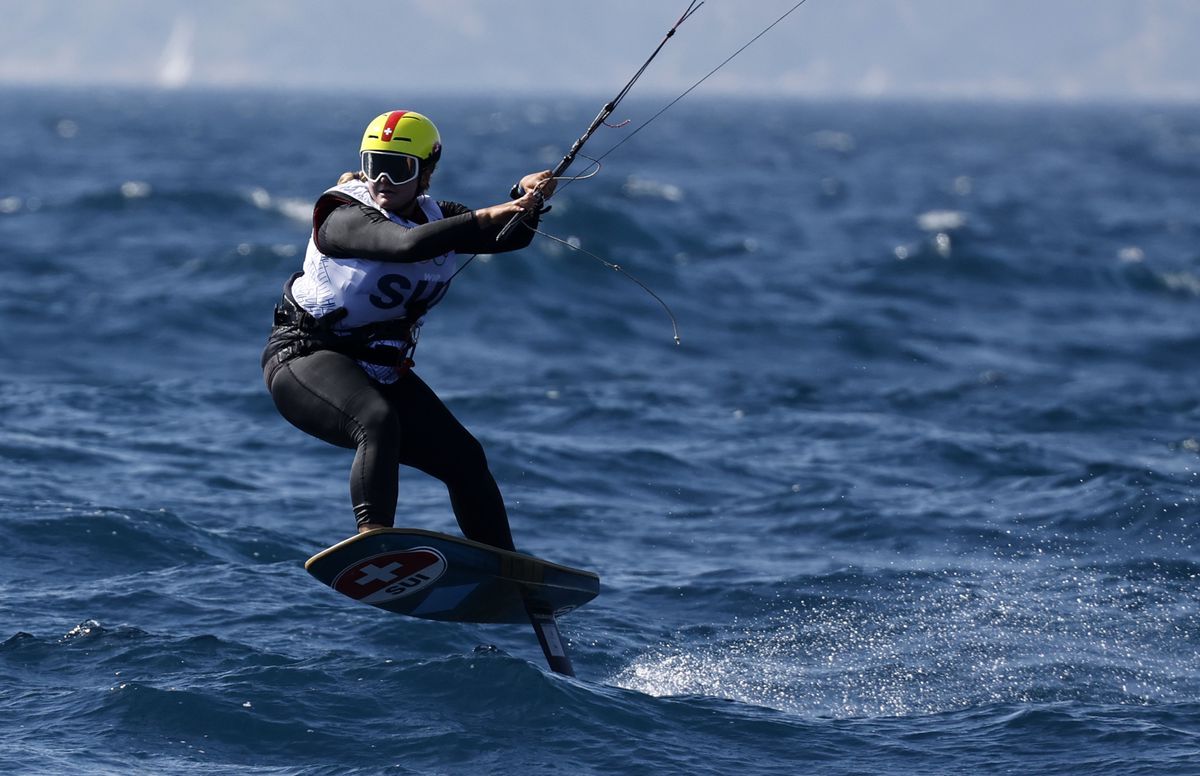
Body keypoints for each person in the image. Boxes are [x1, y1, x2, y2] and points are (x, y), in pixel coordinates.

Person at [262, 109, 555, 551]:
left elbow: (509, 238)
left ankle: (505, 568)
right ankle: (373, 541)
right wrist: (488, 214)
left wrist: (523, 198)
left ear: (427, 173)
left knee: (466, 459)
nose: (381, 179)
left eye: (398, 168)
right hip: (304, 356)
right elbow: (404, 245)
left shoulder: (437, 216)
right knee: (377, 420)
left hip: (376, 368)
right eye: (371, 164)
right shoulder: (341, 214)